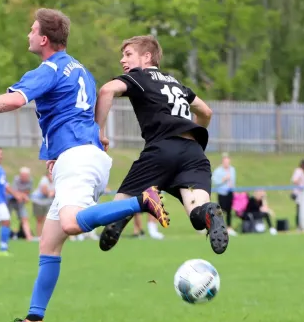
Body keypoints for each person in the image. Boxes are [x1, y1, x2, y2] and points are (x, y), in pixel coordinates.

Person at [0, 9, 165, 322]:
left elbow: (15, 100)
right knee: (50, 242)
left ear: (44, 38)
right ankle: (34, 319)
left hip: (78, 159)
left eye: (31, 30)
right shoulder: (79, 69)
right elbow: (76, 112)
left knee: (71, 223)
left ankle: (141, 201)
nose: (28, 35)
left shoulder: (50, 68)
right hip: (86, 157)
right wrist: (60, 152)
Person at [95, 35, 228, 254]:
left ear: (146, 57)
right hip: (193, 154)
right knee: (197, 214)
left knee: (116, 209)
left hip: (161, 151)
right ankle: (210, 212)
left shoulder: (139, 77)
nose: (122, 60)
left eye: (128, 54)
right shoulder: (175, 83)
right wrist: (192, 140)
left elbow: (107, 90)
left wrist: (99, 132)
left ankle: (124, 216)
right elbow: (206, 112)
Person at [212, 153, 237, 236]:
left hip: (230, 192)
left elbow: (233, 181)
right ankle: (220, 227)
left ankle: (229, 227)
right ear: (222, 162)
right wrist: (224, 179)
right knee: (221, 211)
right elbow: (215, 182)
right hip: (222, 193)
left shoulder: (232, 169)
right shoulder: (218, 171)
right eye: (225, 162)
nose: (227, 163)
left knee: (229, 210)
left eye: (228, 162)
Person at [8, 167, 34, 240]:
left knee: (24, 218)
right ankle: (6, 235)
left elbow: (28, 191)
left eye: (26, 176)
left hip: (20, 201)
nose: (24, 177)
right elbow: (14, 192)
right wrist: (23, 196)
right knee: (6, 219)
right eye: (22, 176)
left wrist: (23, 196)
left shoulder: (30, 180)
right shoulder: (16, 179)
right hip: (10, 201)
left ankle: (29, 236)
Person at [30, 170, 55, 238]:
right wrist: (51, 193)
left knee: (47, 219)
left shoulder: (55, 181)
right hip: (38, 202)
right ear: (47, 175)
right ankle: (39, 236)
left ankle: (47, 236)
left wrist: (51, 193)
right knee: (40, 220)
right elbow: (45, 192)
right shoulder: (44, 180)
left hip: (47, 202)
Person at [291, 159, 304, 231]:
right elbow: (295, 180)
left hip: (302, 193)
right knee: (299, 209)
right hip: (300, 193)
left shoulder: (301, 171)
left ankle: (301, 225)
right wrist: (301, 186)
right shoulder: (299, 171)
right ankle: (299, 225)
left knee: (301, 209)